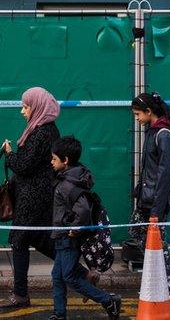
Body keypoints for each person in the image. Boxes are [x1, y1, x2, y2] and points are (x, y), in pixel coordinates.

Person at [0, 87, 63, 308]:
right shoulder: (49, 130)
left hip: (31, 196)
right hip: (40, 193)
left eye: (26, 106)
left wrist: (8, 153)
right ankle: (82, 273)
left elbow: (23, 166)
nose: (22, 110)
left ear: (37, 107)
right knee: (36, 237)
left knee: (19, 240)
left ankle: (21, 294)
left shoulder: (40, 132)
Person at [48, 136, 122, 320]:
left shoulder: (67, 184)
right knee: (57, 275)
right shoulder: (70, 177)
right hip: (62, 235)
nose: (51, 162)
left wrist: (74, 228)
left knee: (69, 276)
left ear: (65, 161)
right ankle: (59, 314)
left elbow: (83, 208)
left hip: (68, 236)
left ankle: (107, 300)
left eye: (54, 159)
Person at [130, 91, 170, 299]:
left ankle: (167, 284)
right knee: (140, 232)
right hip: (148, 196)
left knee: (157, 240)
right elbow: (150, 170)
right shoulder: (153, 131)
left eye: (137, 114)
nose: (136, 118)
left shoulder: (164, 134)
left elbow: (164, 175)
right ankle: (160, 275)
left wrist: (157, 209)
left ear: (148, 111)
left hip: (156, 200)